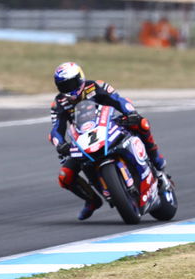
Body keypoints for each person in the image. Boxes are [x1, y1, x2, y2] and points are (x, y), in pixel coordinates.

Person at [49, 62, 166, 220]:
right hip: (84, 141)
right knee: (65, 176)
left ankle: (156, 160)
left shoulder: (96, 86)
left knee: (141, 123)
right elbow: (56, 129)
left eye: (72, 83)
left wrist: (130, 113)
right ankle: (92, 201)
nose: (69, 88)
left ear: (80, 78)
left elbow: (118, 100)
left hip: (111, 126)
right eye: (64, 86)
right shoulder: (59, 103)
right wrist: (60, 144)